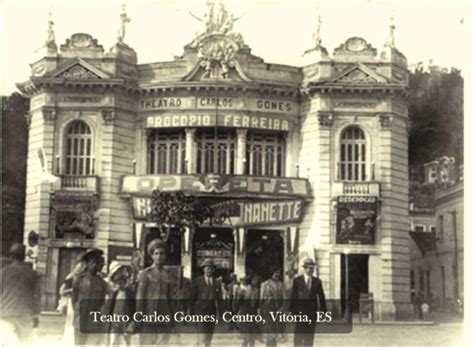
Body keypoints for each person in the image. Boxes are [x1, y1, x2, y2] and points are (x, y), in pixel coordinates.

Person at [136, 239, 174, 345]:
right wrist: (138, 317)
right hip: (148, 314)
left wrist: (173, 316)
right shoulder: (145, 274)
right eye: (156, 253)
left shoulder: (168, 274)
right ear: (152, 256)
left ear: (165, 256)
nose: (159, 256)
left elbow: (170, 297)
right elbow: (140, 297)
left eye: (162, 253)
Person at [1, 243, 40, 345]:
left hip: (6, 313)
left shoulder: (3, 272)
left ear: (11, 256)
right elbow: (36, 296)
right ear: (24, 257)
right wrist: (36, 315)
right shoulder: (32, 273)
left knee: (6, 343)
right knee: (26, 343)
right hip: (25, 315)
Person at [71, 248, 107, 346]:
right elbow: (74, 299)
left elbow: (102, 302)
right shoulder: (79, 280)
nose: (96, 265)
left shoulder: (102, 283)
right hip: (80, 319)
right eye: (93, 262)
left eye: (98, 263)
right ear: (88, 264)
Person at [290, 259, 327, 347]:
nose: (311, 270)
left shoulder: (317, 281)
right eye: (309, 268)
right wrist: (292, 311)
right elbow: (293, 296)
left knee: (309, 335)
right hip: (300, 312)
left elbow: (321, 297)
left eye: (312, 268)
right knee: (298, 334)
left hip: (312, 312)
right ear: (304, 269)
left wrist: (323, 311)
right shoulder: (297, 280)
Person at [103, 261, 135, 346]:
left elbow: (133, 308)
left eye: (121, 282)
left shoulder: (129, 293)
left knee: (126, 343)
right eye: (118, 282)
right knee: (114, 341)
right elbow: (108, 309)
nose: (120, 284)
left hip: (126, 322)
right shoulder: (113, 294)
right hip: (115, 322)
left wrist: (132, 321)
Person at [191, 258, 221, 347]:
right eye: (207, 268)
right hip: (200, 312)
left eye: (211, 268)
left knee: (209, 336)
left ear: (214, 270)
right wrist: (191, 312)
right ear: (203, 269)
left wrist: (221, 313)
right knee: (203, 336)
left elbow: (219, 299)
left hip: (212, 312)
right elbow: (192, 297)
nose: (209, 270)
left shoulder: (217, 282)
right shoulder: (197, 281)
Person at [59, 256, 87, 345]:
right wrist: (72, 290)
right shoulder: (71, 277)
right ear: (75, 266)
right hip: (72, 302)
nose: (81, 268)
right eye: (79, 266)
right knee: (71, 323)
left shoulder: (84, 278)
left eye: (83, 266)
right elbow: (61, 291)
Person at [260, 269, 285, 347]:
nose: (278, 275)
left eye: (279, 273)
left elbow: (285, 299)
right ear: (271, 273)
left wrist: (282, 309)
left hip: (277, 309)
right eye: (276, 273)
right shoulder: (265, 284)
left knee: (276, 329)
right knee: (269, 329)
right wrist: (260, 310)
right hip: (267, 309)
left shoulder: (281, 284)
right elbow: (261, 299)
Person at [235, 275, 260, 347]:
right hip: (245, 314)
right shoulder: (243, 291)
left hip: (253, 314)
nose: (256, 281)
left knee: (252, 337)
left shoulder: (257, 290)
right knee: (246, 336)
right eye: (254, 280)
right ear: (250, 281)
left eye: (256, 280)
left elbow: (258, 303)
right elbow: (237, 303)